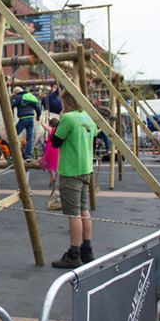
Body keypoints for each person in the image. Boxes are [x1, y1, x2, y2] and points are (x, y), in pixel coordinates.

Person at [50, 90, 97, 268]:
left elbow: (55, 141)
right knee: (84, 210)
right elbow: (91, 137)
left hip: (71, 169)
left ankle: (74, 252)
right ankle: (87, 248)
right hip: (85, 168)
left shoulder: (68, 118)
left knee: (73, 213)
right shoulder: (88, 117)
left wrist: (60, 120)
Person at [10, 87, 41, 160]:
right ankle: (28, 156)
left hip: (23, 119)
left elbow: (10, 105)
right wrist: (38, 116)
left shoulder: (18, 97)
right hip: (31, 119)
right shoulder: (30, 96)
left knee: (13, 135)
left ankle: (12, 156)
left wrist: (11, 98)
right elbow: (38, 108)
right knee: (29, 137)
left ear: (16, 93)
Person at [39, 115, 60, 188]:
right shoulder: (58, 129)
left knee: (47, 162)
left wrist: (44, 114)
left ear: (50, 125)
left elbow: (42, 123)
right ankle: (54, 177)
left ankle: (52, 176)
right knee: (53, 162)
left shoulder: (50, 130)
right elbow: (55, 123)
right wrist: (50, 120)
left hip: (50, 147)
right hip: (57, 148)